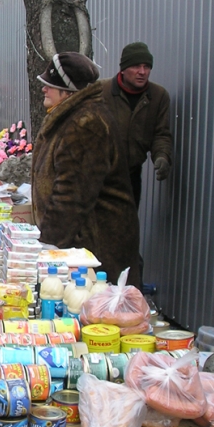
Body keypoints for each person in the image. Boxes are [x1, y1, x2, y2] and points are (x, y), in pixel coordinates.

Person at [31, 52, 141, 288]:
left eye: (51, 85)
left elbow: (72, 196)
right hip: (81, 246)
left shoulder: (85, 124)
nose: (44, 89)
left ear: (68, 91)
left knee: (98, 318)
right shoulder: (73, 117)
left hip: (95, 247)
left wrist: (49, 244)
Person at [100, 42, 173, 207]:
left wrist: (162, 157)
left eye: (146, 67)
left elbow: (161, 133)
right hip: (100, 175)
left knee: (127, 226)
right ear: (123, 68)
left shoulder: (158, 96)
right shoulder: (100, 92)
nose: (142, 72)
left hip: (131, 175)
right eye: (136, 66)